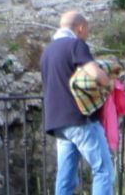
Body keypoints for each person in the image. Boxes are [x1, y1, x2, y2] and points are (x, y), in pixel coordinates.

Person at [41, 11, 115, 195]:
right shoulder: (75, 45)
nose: (86, 34)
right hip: (80, 119)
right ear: (80, 28)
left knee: (65, 179)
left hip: (57, 123)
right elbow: (96, 74)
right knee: (103, 170)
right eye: (86, 30)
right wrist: (109, 82)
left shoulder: (47, 52)